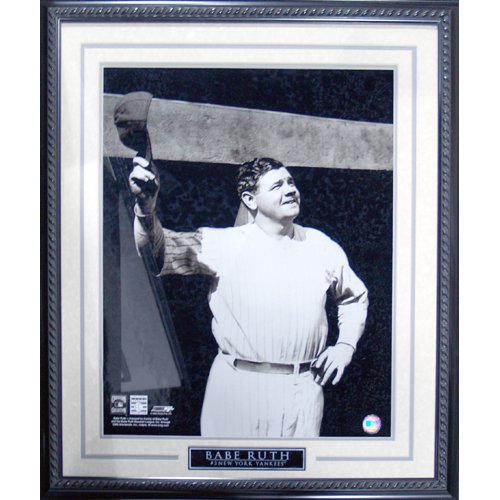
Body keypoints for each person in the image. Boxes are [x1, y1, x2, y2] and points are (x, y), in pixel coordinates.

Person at [129, 155, 369, 438]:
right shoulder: (224, 244)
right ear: (250, 200)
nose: (290, 190)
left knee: (296, 468)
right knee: (231, 468)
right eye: (277, 186)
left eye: (290, 182)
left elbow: (354, 298)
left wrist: (345, 345)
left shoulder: (321, 245)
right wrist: (145, 209)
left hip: (304, 391)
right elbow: (157, 254)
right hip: (238, 389)